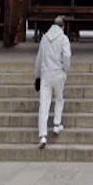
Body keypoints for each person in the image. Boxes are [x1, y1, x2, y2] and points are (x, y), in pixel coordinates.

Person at [34, 15, 71, 148]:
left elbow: (39, 57)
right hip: (58, 73)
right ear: (63, 26)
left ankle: (43, 135)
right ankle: (56, 124)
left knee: (44, 104)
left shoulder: (44, 38)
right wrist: (65, 69)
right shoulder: (63, 39)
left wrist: (37, 75)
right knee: (59, 98)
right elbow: (66, 56)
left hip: (46, 74)